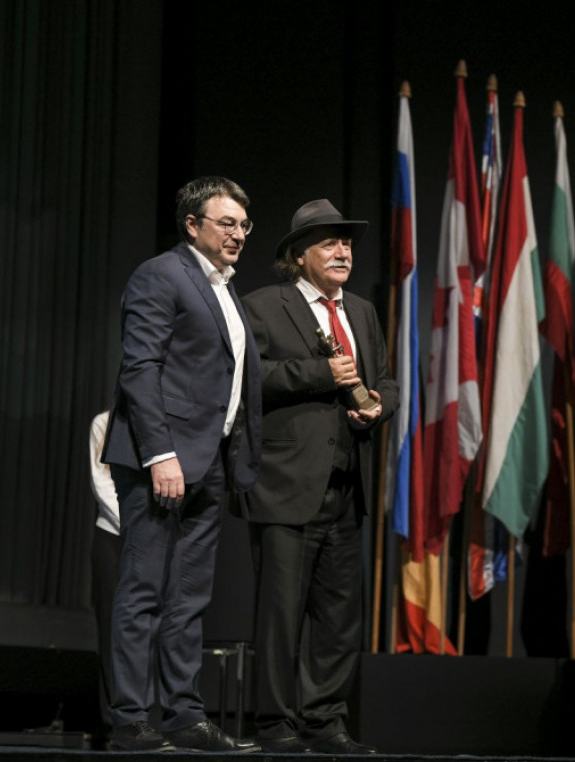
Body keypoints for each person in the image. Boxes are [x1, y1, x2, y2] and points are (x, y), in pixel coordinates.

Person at [100, 176, 262, 753]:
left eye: (244, 225)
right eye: (226, 223)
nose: (238, 234)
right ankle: (129, 718)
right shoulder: (161, 274)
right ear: (192, 224)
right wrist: (160, 454)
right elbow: (140, 368)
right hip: (161, 460)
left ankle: (184, 715)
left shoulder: (226, 289)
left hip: (210, 460)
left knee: (189, 596)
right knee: (143, 589)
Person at [236, 199, 396, 754]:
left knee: (339, 617)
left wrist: (380, 406)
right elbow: (247, 377)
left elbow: (386, 380)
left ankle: (324, 721)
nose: (342, 252)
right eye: (329, 243)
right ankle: (276, 725)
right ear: (299, 256)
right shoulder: (263, 306)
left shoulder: (362, 312)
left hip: (347, 486)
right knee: (280, 616)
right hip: (285, 483)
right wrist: (318, 373)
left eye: (346, 243)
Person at [88, 410, 122, 748]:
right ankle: (114, 721)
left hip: (152, 538)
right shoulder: (104, 422)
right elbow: (102, 482)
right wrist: (136, 525)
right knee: (112, 630)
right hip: (113, 536)